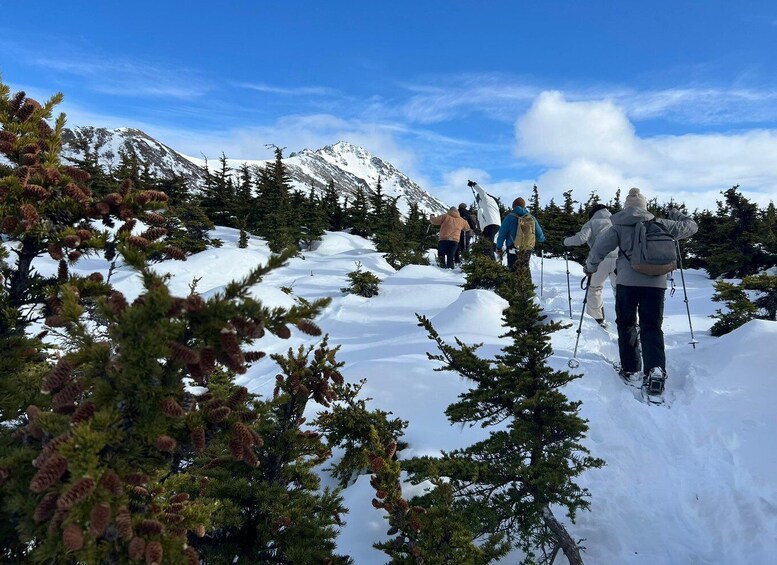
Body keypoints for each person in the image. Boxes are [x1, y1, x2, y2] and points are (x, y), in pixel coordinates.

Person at [585, 188, 698, 393]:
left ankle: (630, 369)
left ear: (626, 207)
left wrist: (590, 268)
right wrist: (676, 213)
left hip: (627, 283)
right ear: (645, 206)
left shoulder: (618, 226)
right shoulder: (663, 224)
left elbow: (599, 249)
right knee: (652, 326)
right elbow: (692, 226)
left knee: (626, 324)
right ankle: (655, 369)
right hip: (656, 284)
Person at [564, 204, 617, 326]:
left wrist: (565, 241)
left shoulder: (592, 222)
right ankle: (628, 320)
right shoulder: (615, 221)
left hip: (599, 259)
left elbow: (581, 238)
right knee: (621, 290)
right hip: (618, 260)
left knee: (595, 288)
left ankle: (597, 320)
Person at [495, 197, 545, 279]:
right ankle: (527, 289)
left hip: (512, 247)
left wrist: (498, 247)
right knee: (525, 267)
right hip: (527, 247)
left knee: (512, 268)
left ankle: (512, 289)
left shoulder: (509, 217)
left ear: (513, 206)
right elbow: (540, 235)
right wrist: (541, 241)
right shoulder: (531, 218)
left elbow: (502, 234)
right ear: (524, 206)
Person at [467, 181, 501, 259]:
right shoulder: (487, 205)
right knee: (486, 242)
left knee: (487, 245)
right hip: (491, 224)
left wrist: (474, 185)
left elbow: (482, 192)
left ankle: (491, 263)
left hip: (490, 224)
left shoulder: (487, 199)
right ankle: (497, 249)